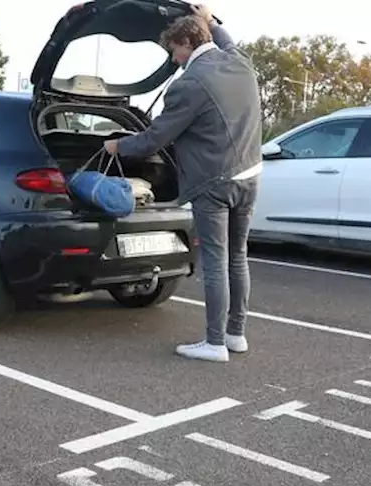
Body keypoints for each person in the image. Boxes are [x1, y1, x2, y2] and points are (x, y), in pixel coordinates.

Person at [104, 4, 262, 363]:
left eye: (175, 51)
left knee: (216, 261)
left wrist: (116, 145)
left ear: (188, 43)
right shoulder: (240, 61)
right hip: (250, 177)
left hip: (214, 182)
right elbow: (223, 37)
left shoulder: (190, 83)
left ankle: (214, 343)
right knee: (238, 256)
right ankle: (236, 334)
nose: (174, 60)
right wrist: (210, 17)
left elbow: (153, 140)